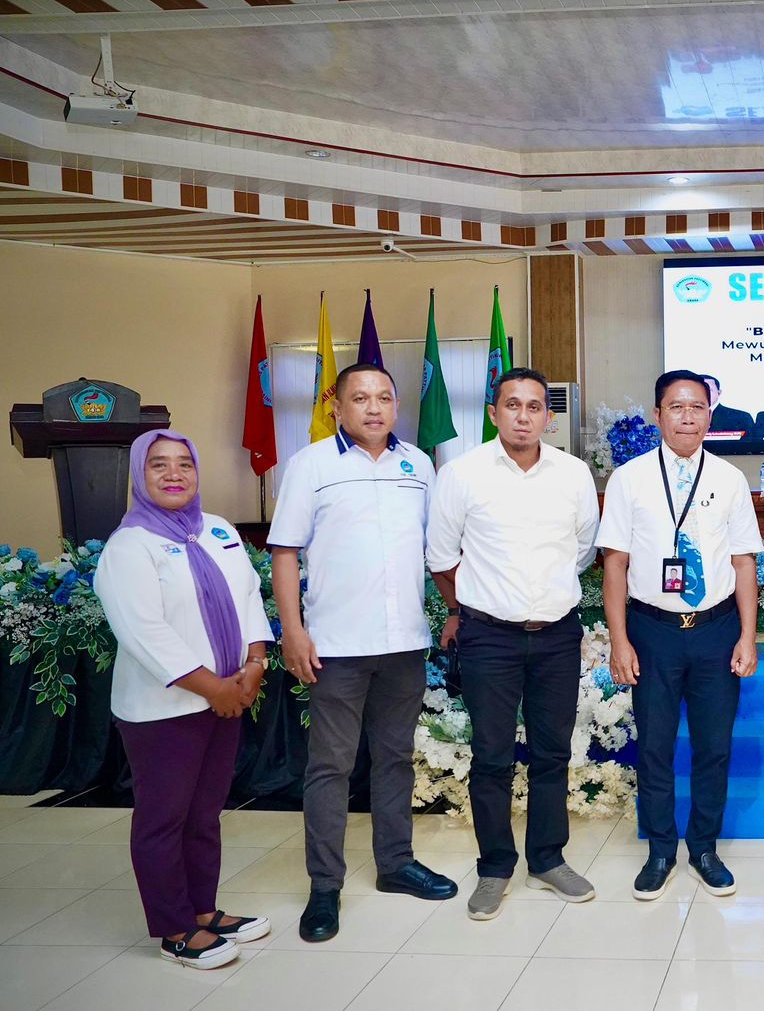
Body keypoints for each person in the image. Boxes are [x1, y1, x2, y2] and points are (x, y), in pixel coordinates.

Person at [270, 364, 457, 944]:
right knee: (330, 766)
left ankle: (395, 863)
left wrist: (455, 608)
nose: (373, 408)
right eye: (360, 398)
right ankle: (325, 886)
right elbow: (284, 552)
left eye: (383, 398)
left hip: (403, 644)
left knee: (396, 759)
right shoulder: (311, 465)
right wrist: (293, 630)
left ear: (397, 406)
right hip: (337, 646)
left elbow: (437, 551)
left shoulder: (419, 465)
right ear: (338, 406)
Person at [95, 431, 275, 969]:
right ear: (139, 475)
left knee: (204, 814)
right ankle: (174, 928)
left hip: (228, 695)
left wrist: (255, 664)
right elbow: (144, 631)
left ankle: (203, 911)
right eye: (159, 465)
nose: (174, 474)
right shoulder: (129, 546)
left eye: (184, 464)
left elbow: (248, 596)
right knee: (164, 819)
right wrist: (216, 689)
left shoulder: (218, 529)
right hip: (163, 710)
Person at [426, 367, 601, 920]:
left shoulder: (573, 474)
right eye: (512, 405)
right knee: (492, 756)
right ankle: (495, 867)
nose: (524, 416)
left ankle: (547, 860)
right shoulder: (462, 474)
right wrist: (480, 601)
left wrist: (540, 594)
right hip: (488, 638)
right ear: (493, 412)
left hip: (557, 635)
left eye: (534, 407)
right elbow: (440, 556)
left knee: (552, 753)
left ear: (548, 416)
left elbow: (583, 551)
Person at [599, 370, 764, 899]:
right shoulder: (629, 479)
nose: (687, 417)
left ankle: (705, 848)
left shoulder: (729, 478)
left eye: (697, 407)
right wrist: (620, 641)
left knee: (714, 747)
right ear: (658, 415)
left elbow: (743, 563)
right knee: (655, 746)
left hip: (716, 630)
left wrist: (748, 636)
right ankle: (660, 851)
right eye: (676, 407)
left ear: (709, 416)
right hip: (654, 631)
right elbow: (615, 564)